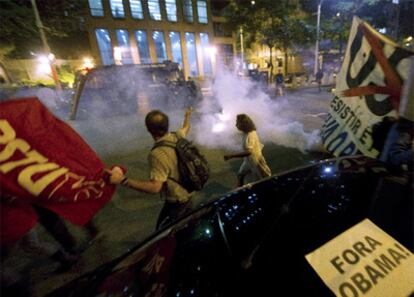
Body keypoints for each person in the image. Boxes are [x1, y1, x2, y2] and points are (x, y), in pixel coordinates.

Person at [106, 107, 195, 230]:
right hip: (189, 196)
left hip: (177, 203)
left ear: (149, 130)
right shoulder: (178, 136)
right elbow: (186, 128)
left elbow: (155, 187)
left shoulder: (157, 154)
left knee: (163, 235)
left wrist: (123, 180)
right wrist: (187, 116)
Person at [223, 114, 272, 187]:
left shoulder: (249, 135)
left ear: (243, 124)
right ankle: (239, 191)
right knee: (240, 175)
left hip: (256, 161)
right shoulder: (247, 133)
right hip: (249, 161)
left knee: (264, 179)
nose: (236, 125)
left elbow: (249, 152)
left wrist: (231, 156)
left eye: (237, 123)